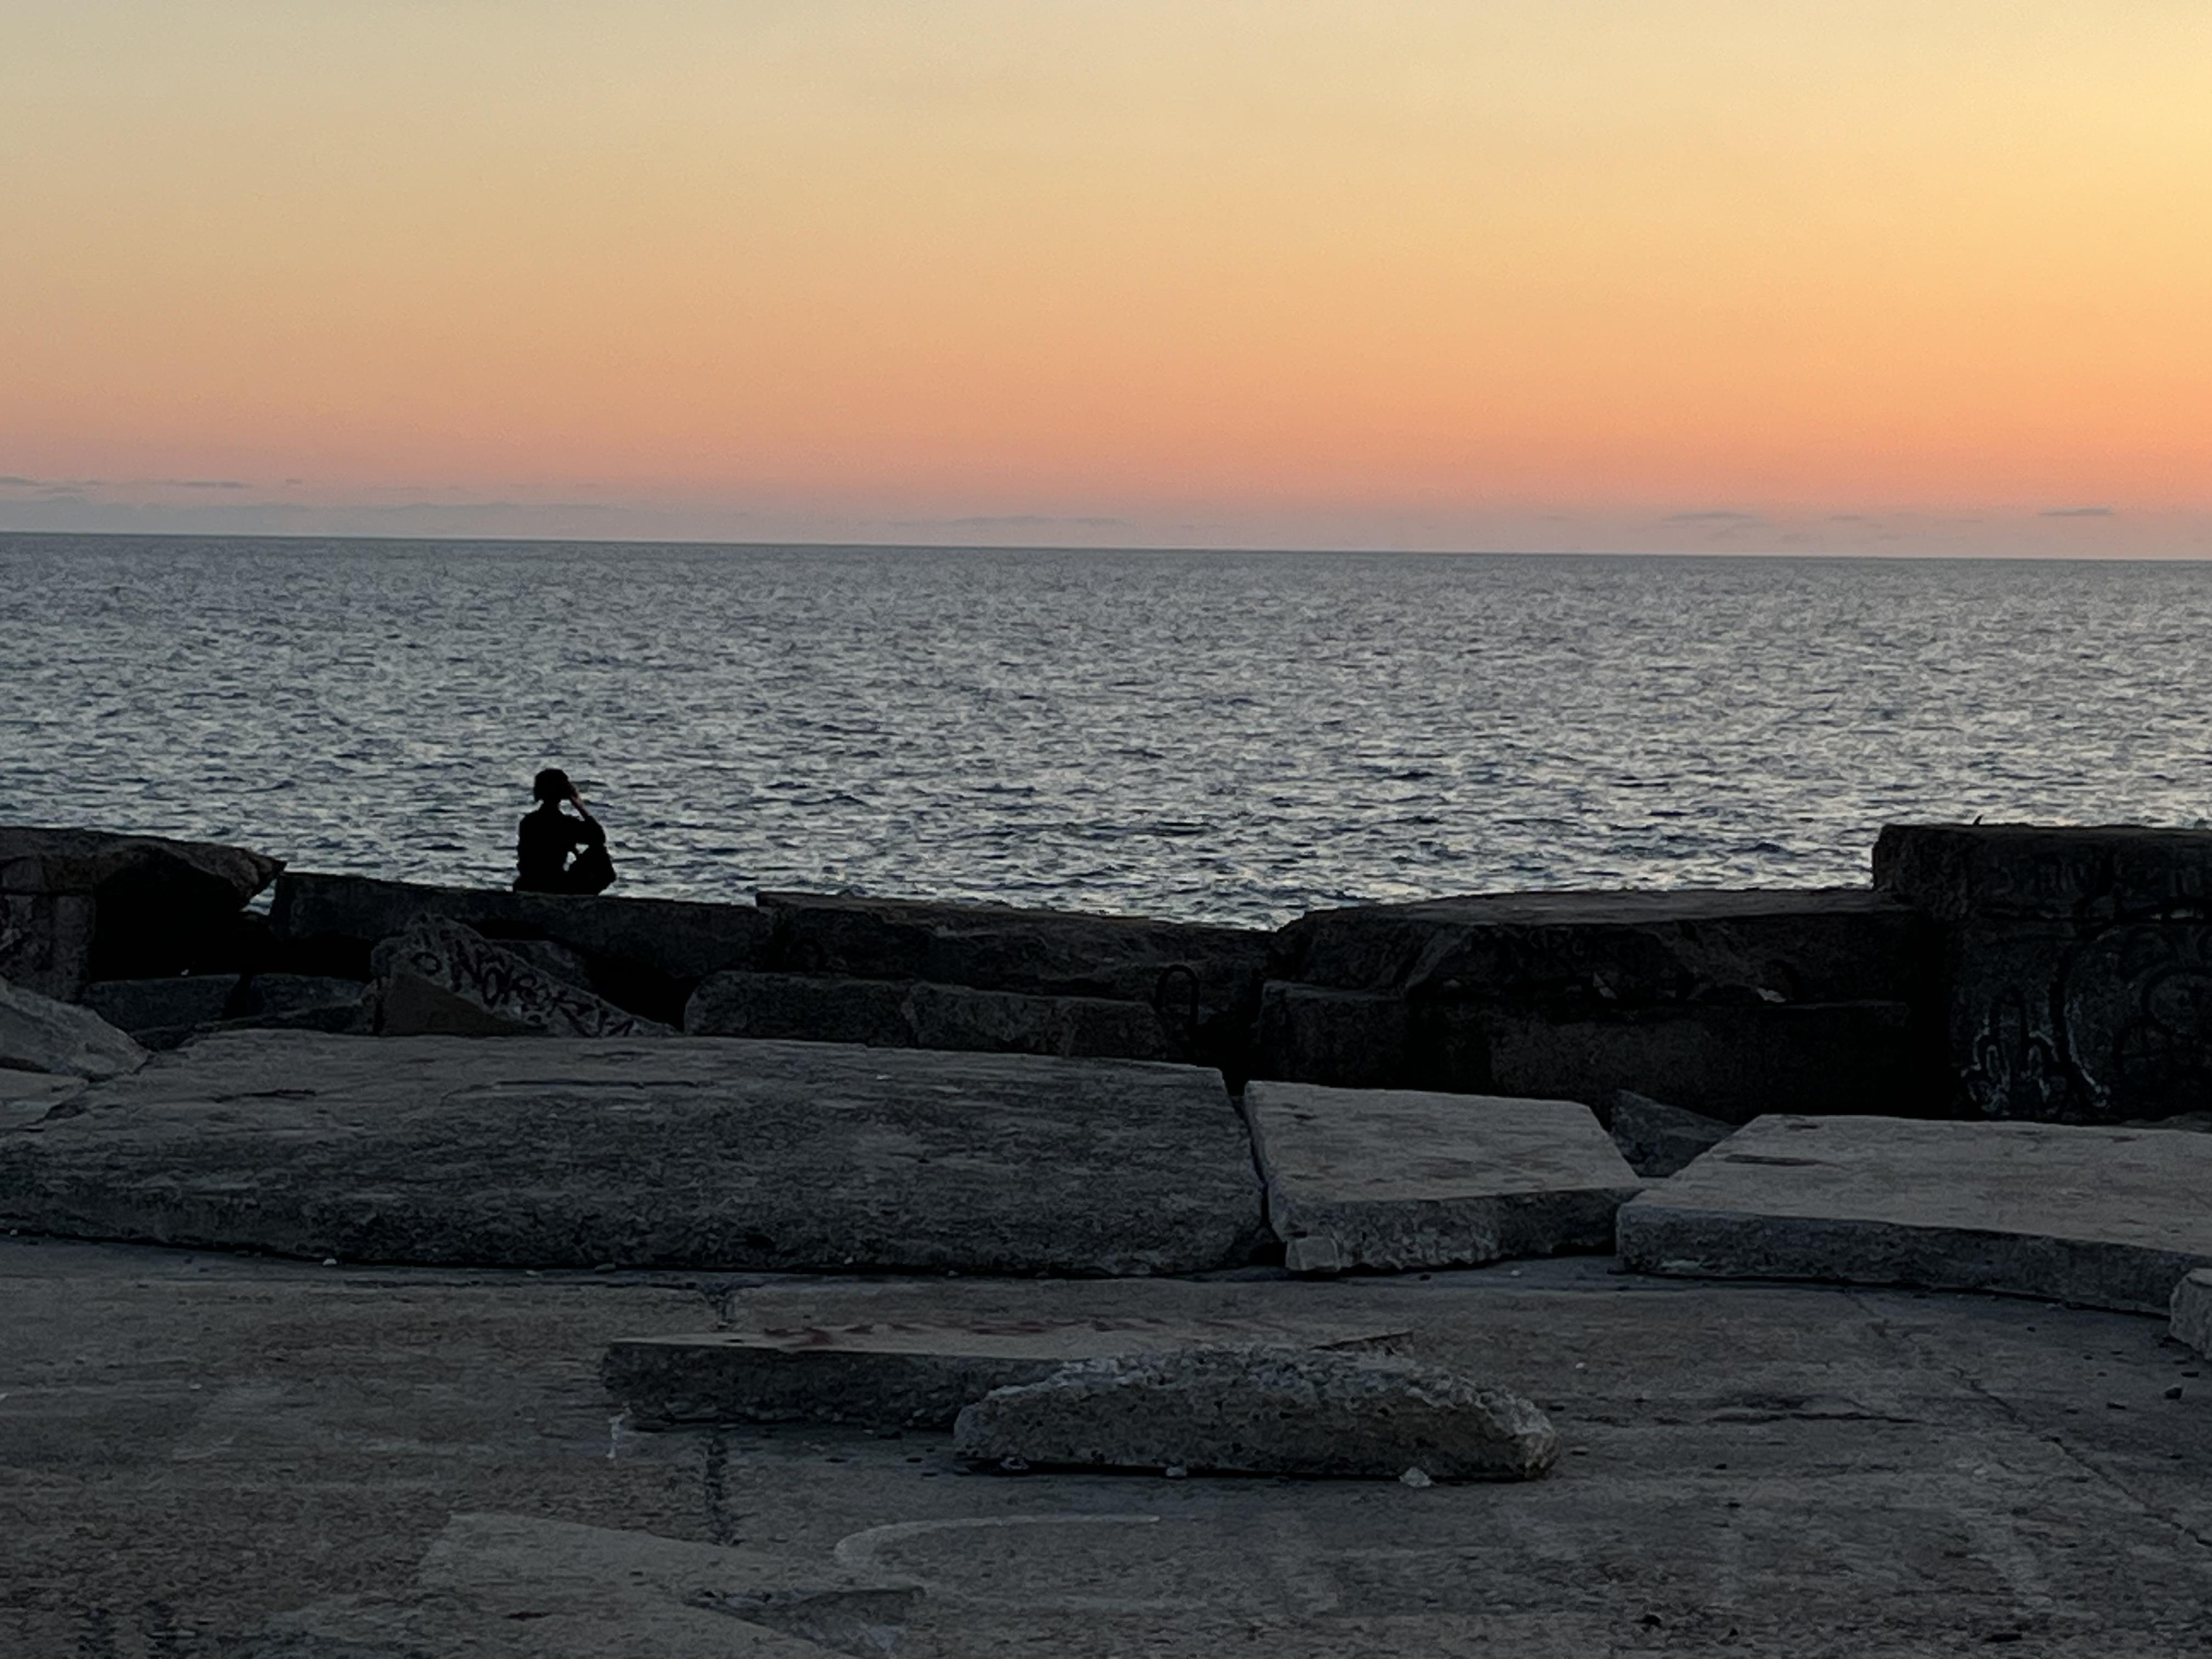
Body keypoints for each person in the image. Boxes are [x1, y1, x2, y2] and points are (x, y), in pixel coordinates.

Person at [515, 768, 616, 894]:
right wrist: (580, 806)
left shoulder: (528, 822)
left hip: (528, 882)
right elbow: (599, 837)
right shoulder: (565, 823)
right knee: (600, 853)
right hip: (555, 884)